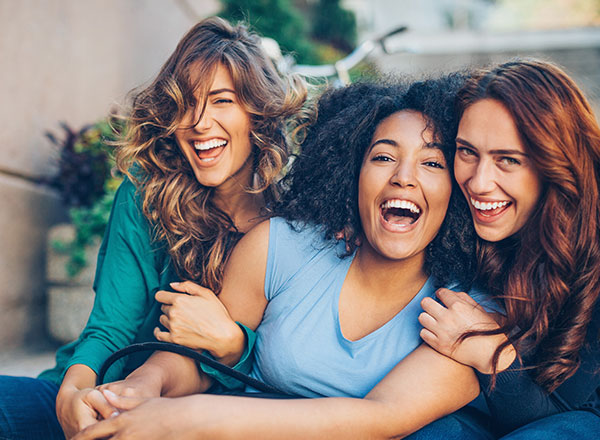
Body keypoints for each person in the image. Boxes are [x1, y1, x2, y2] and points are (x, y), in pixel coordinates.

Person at [73, 78, 489, 439]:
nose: (404, 176)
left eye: (432, 162)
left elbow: (382, 420)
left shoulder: (467, 311)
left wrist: (193, 419)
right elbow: (193, 359)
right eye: (383, 156)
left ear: (456, 188)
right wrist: (146, 385)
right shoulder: (280, 246)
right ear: (351, 173)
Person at [0, 17, 306, 440]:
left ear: (258, 114)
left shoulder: (297, 219)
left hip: (213, 419)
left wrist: (232, 343)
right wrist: (72, 395)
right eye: (185, 104)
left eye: (221, 101)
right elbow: (110, 328)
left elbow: (295, 365)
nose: (199, 123)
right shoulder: (147, 193)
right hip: (107, 391)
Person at [414, 59, 600, 439]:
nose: (479, 182)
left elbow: (570, 418)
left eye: (508, 160)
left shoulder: (589, 246)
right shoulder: (459, 219)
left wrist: (491, 354)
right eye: (467, 152)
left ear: (555, 162)